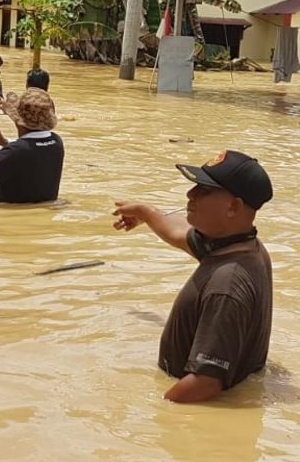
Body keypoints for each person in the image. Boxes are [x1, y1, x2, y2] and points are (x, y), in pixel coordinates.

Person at [113, 150, 273, 404]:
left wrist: (149, 414)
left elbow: (206, 383)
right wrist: (146, 212)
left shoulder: (227, 284)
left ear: (233, 207)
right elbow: (178, 233)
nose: (191, 194)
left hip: (201, 412)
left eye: (204, 191)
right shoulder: (240, 247)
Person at [0, 88, 64, 203]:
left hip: (9, 219)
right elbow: (32, 149)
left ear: (18, 121)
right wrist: (4, 142)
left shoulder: (14, 152)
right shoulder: (57, 142)